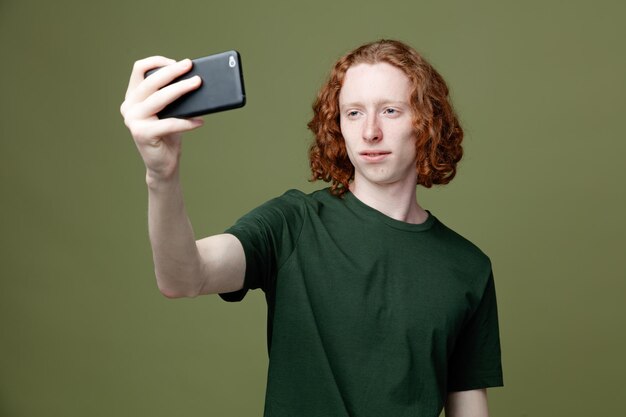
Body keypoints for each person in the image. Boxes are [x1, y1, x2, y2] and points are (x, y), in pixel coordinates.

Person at [120, 39, 503, 417]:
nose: (370, 131)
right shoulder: (293, 224)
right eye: (353, 112)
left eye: (390, 110)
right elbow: (184, 276)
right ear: (337, 124)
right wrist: (161, 174)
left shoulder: (467, 267)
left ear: (427, 122)